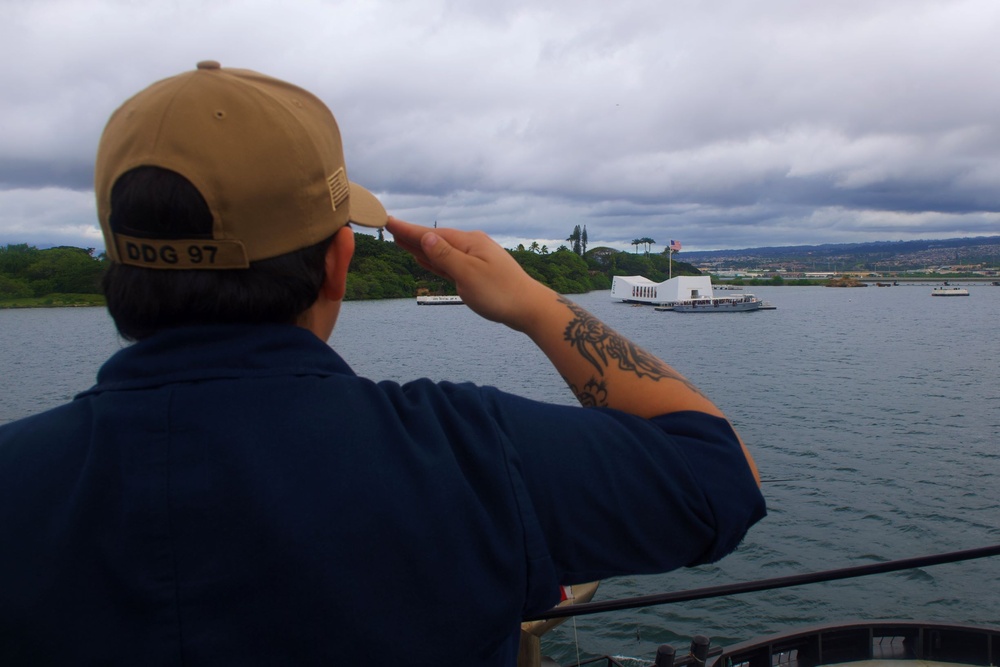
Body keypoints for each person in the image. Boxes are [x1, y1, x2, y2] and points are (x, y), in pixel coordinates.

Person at [0, 62, 765, 666]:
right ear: (338, 263)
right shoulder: (467, 452)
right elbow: (720, 477)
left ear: (118, 263)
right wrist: (534, 303)